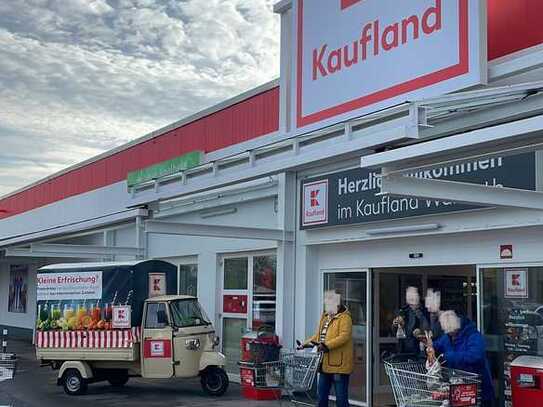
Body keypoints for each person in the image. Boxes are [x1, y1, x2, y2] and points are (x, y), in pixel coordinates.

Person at [427, 310, 495, 407]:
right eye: (446, 331)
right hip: (459, 386)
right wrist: (430, 347)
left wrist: (448, 356)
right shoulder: (447, 337)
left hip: (478, 387)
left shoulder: (473, 336)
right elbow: (437, 345)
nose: (449, 333)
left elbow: (475, 356)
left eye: (450, 330)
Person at [301, 290, 353, 407]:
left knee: (341, 399)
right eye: (326, 302)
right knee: (322, 396)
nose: (327, 305)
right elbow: (318, 336)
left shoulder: (345, 318)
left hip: (339, 365)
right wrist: (305, 344)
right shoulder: (325, 317)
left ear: (337, 303)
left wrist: (326, 345)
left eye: (329, 302)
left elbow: (344, 337)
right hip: (324, 364)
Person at [392, 286, 430, 355]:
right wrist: (395, 325)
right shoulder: (404, 310)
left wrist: (421, 331)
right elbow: (395, 332)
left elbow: (429, 329)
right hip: (403, 351)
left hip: (420, 351)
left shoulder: (425, 311)